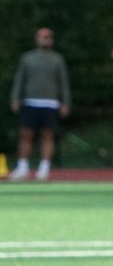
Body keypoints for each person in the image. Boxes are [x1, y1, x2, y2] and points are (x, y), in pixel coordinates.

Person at [8, 27, 70, 182]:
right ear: (37, 39)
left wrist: (65, 102)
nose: (45, 39)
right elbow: (19, 79)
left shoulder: (57, 59)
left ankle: (44, 168)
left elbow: (63, 83)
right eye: (42, 36)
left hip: (50, 103)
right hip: (30, 102)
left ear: (52, 40)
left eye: (48, 37)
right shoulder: (27, 58)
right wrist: (15, 98)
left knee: (48, 135)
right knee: (25, 135)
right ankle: (22, 168)